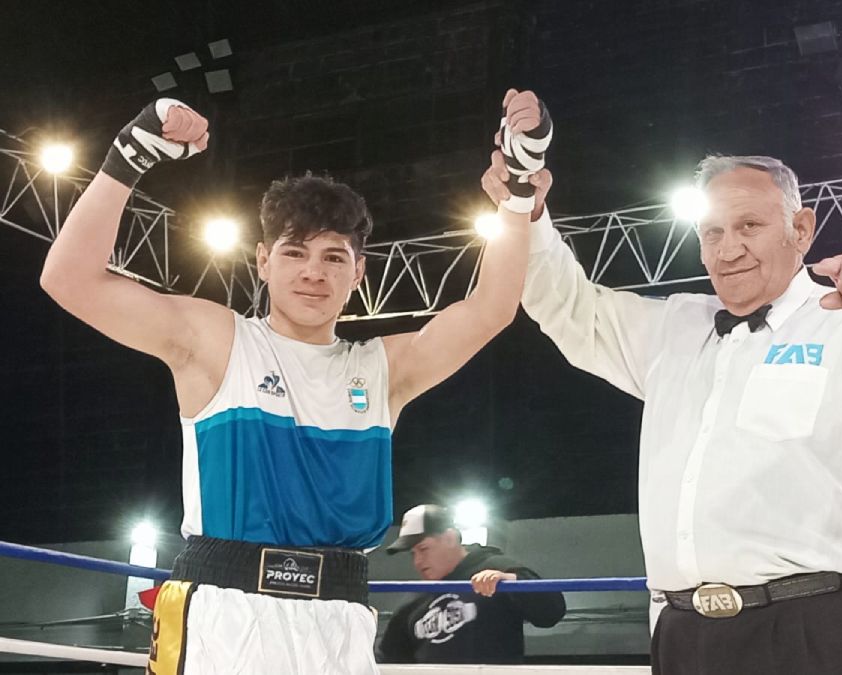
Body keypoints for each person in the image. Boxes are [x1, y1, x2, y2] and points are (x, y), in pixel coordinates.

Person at [39, 92, 552, 674]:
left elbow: (490, 310)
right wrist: (131, 154)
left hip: (340, 617)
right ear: (263, 260)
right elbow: (70, 279)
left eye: (334, 257)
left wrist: (517, 195)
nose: (313, 271)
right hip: (227, 612)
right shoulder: (217, 342)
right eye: (295, 252)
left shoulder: (382, 369)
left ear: (358, 272)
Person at [485, 91, 842, 675]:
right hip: (683, 633)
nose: (729, 249)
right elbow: (566, 306)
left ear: (801, 228)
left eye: (749, 225)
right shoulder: (673, 328)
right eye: (712, 232)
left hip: (816, 629)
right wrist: (524, 206)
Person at [376, 504, 566, 664]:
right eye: (413, 554)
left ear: (450, 539)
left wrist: (510, 581)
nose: (417, 561)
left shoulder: (496, 567)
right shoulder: (413, 602)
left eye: (423, 549)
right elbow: (387, 659)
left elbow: (552, 611)